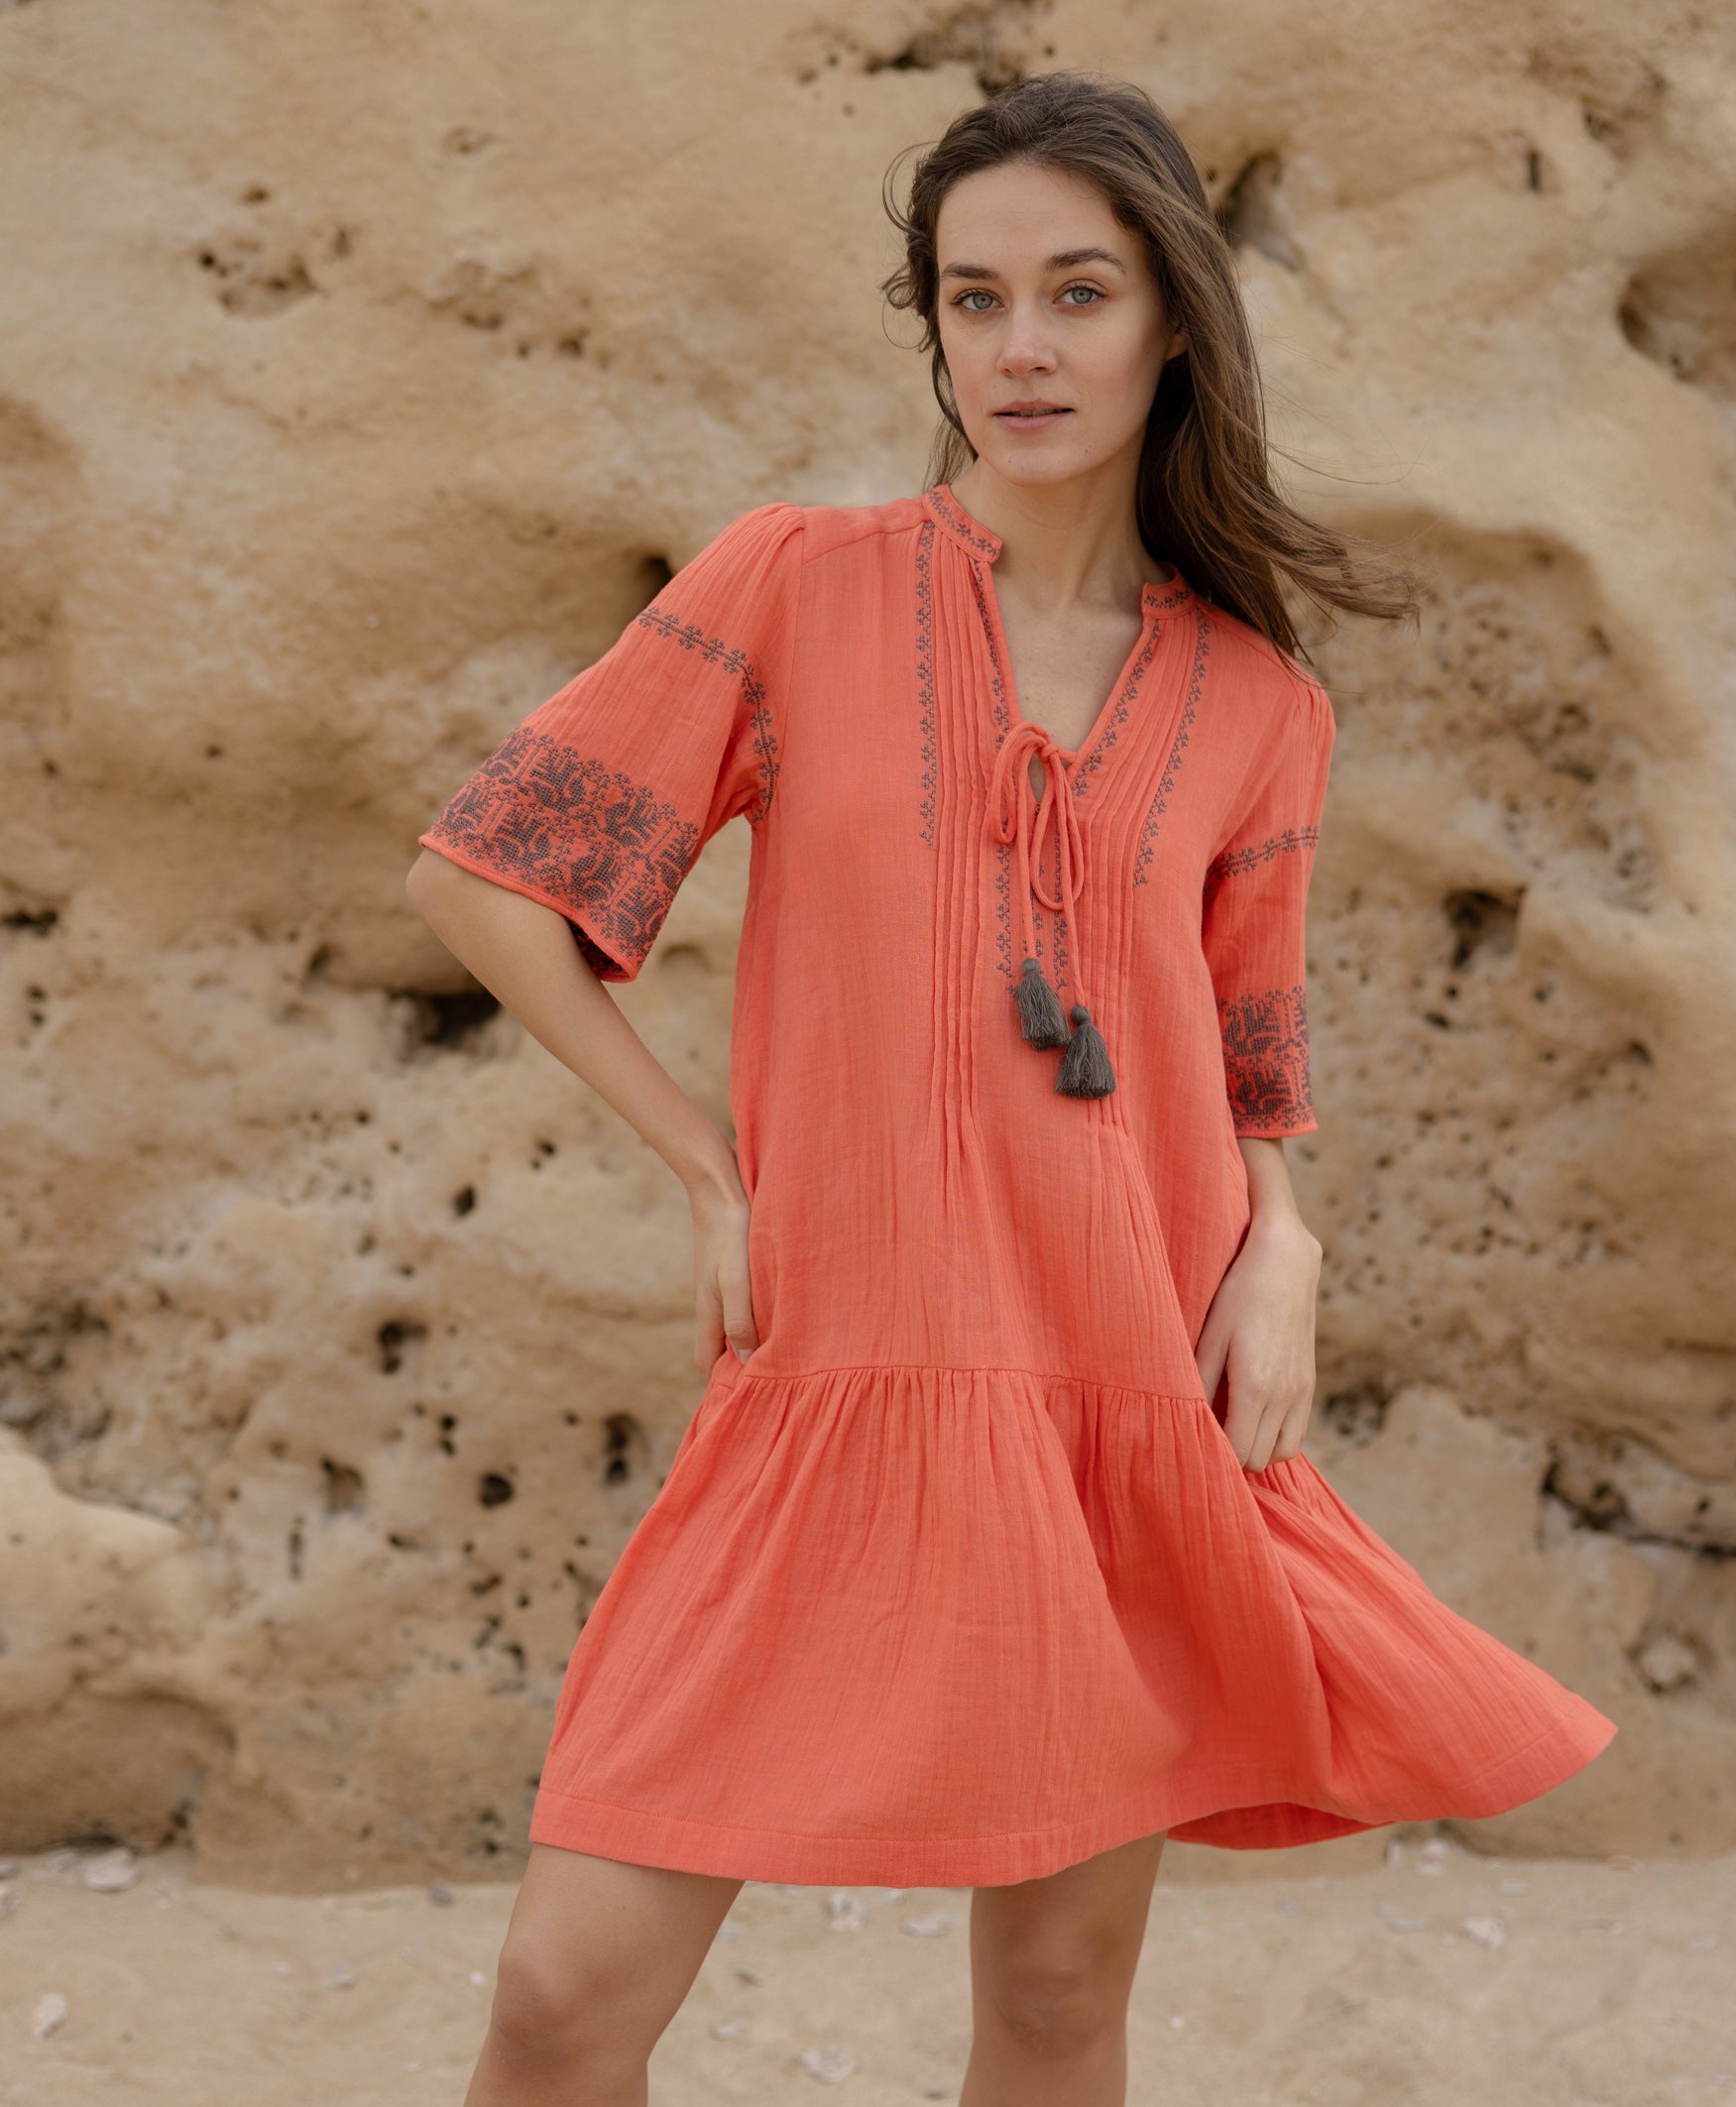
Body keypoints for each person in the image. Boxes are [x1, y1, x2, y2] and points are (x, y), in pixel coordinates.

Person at [405, 69, 1618, 2107]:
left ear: (1168, 323)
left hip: (1109, 1373)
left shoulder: (1254, 700)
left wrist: (1285, 1237)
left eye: (1075, 291)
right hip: (834, 1367)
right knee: (557, 2001)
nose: (1021, 350)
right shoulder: (795, 578)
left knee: (1055, 2010)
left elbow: (1245, 1028)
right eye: (972, 302)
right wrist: (709, 1169)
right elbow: (482, 882)